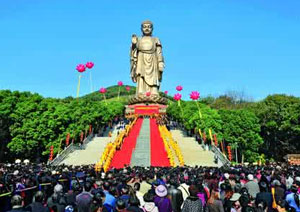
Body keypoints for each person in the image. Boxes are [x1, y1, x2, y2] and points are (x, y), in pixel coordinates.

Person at [130, 20, 165, 95]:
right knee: (140, 75)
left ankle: (154, 91)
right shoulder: (139, 39)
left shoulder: (156, 39)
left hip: (152, 58)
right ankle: (140, 92)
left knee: (153, 75)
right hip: (141, 58)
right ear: (141, 29)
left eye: (149, 27)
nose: (147, 29)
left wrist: (160, 62)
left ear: (152, 29)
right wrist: (133, 44)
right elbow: (133, 52)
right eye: (144, 27)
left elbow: (159, 52)